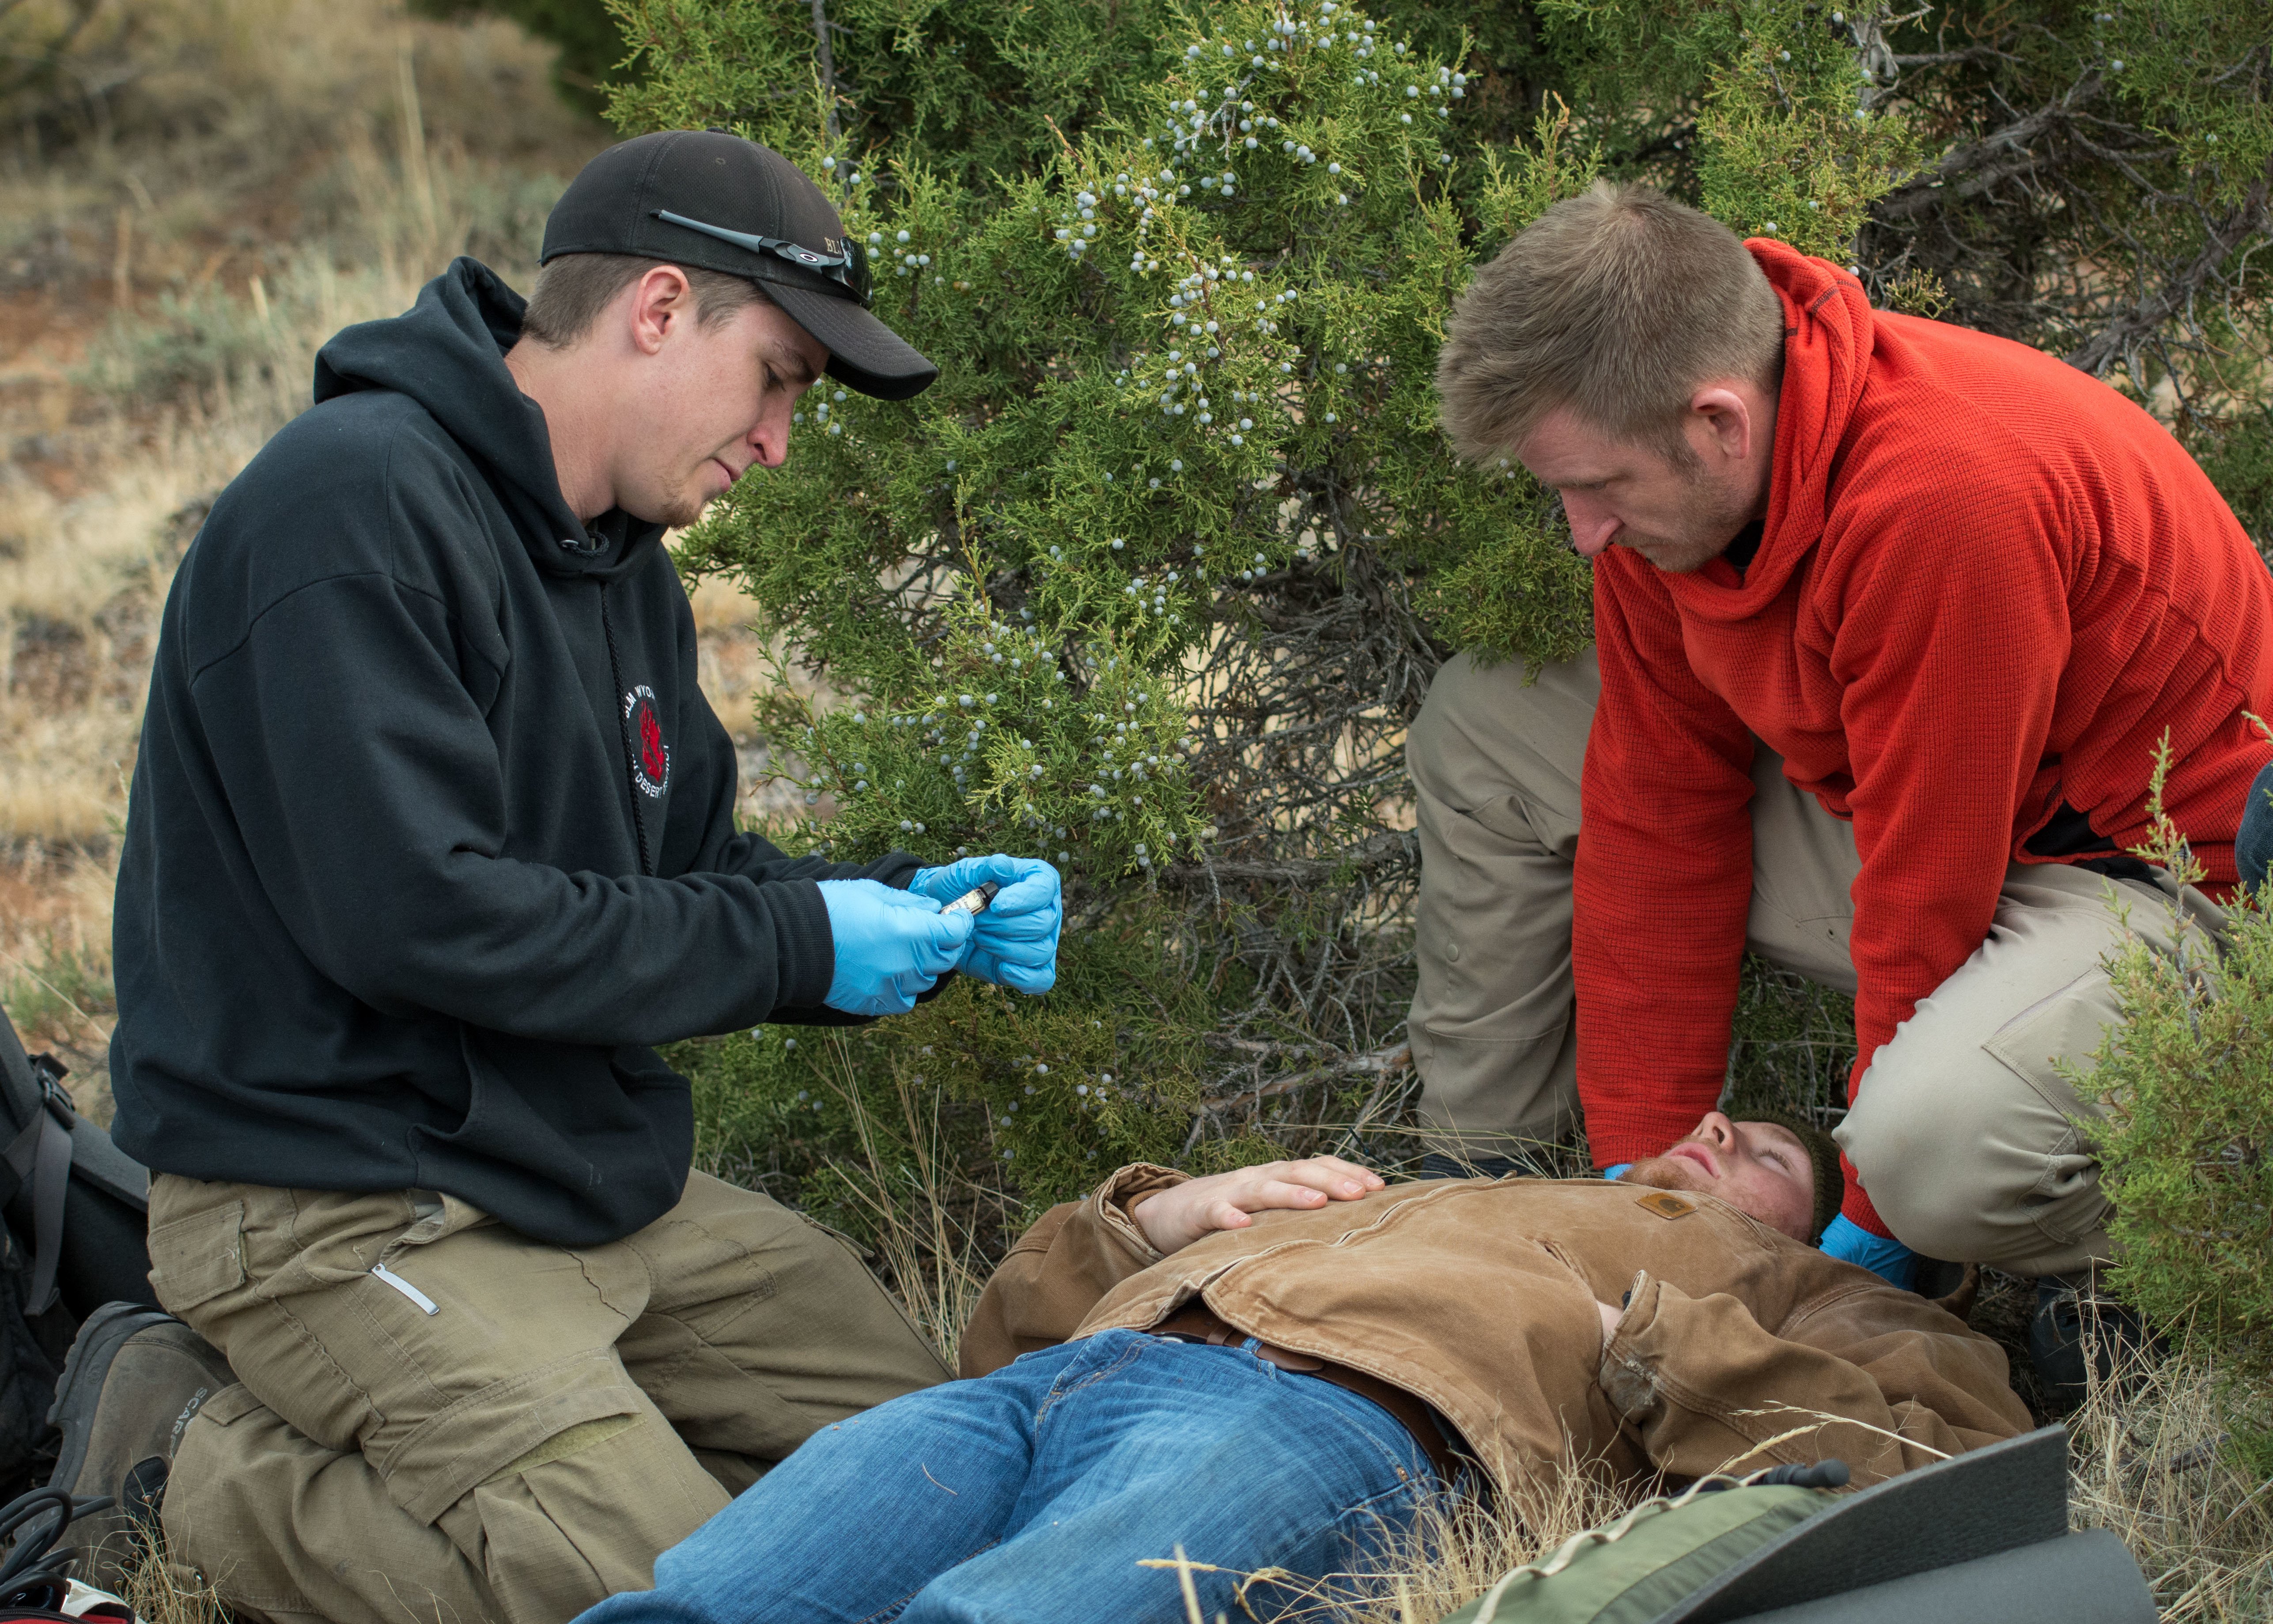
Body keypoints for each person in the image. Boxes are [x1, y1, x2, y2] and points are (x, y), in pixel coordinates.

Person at [45, 130, 1064, 1624]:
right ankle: (180, 1452)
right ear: (660, 308)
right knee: (676, 1600)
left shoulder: (619, 561)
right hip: (332, 1196)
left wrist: (912, 908)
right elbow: (422, 918)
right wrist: (798, 944)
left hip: (567, 1167)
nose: (782, 440)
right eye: (780, 376)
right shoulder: (350, 507)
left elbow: (700, 867)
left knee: (927, 1470)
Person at [1407, 182, 2273, 1366]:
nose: (1584, 532)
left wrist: (1874, 1236)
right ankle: (1481, 1199)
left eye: (1602, 487)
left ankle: (2148, 1250)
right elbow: (1659, 815)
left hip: (2151, 878)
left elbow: (1923, 898)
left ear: (1720, 423)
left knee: (1927, 1146)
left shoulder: (1944, 497)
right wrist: (1644, 1178)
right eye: (1563, 490)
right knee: (1488, 721)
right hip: (1938, 816)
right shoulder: (1678, 490)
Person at [570, 1116, 2029, 1624]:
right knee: (702, 1603)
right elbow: (1001, 1334)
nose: (1715, 1132)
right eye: (1715, 1117)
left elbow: (1939, 1465)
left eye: (1764, 1148)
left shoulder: (1820, 1294)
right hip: (1056, 1388)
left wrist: (1656, 1347)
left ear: (1835, 1220)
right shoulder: (1469, 1189)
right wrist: (1158, 1216)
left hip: (1341, 1416)